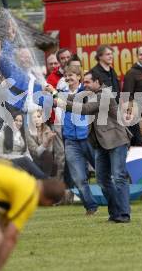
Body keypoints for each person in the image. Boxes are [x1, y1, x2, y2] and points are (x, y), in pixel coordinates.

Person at [50, 70, 132, 223]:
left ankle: (124, 214)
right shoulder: (90, 94)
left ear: (98, 82)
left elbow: (85, 109)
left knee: (119, 177)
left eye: (87, 82)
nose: (84, 85)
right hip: (100, 143)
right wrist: (54, 93)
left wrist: (59, 103)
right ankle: (115, 213)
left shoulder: (104, 95)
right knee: (102, 179)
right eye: (84, 82)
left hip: (116, 141)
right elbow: (73, 97)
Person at [57, 65, 98, 215]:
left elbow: (75, 102)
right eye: (66, 76)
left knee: (102, 173)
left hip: (88, 138)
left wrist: (56, 95)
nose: (68, 78)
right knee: (79, 178)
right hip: (70, 141)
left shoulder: (85, 92)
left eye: (71, 75)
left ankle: (116, 200)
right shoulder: (61, 93)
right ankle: (91, 207)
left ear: (79, 77)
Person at [0, 111, 46, 179]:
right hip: (7, 161)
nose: (18, 123)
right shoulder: (2, 135)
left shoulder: (22, 135)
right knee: (25, 160)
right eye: (16, 120)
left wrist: (29, 158)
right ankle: (45, 179)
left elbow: (26, 151)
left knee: (36, 161)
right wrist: (18, 157)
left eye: (20, 121)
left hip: (21, 160)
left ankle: (40, 184)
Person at [25, 109, 57, 177]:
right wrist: (46, 142)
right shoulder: (28, 131)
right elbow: (35, 152)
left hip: (46, 157)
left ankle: (46, 180)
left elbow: (50, 150)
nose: (36, 119)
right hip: (32, 157)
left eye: (39, 117)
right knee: (45, 157)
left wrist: (48, 141)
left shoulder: (47, 129)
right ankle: (45, 179)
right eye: (34, 117)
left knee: (49, 157)